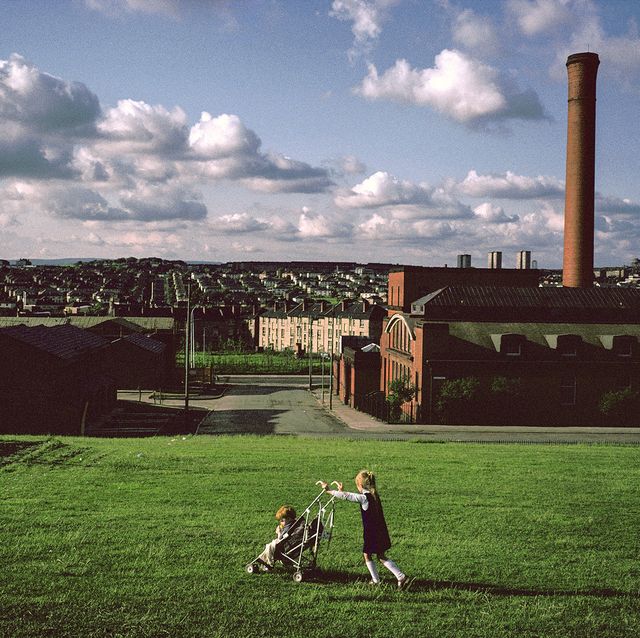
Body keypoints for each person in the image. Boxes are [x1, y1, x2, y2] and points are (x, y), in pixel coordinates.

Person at [320, 470, 407, 588]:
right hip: (381, 531)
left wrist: (329, 490)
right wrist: (341, 491)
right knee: (381, 555)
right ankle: (399, 576)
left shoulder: (364, 498)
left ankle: (379, 580)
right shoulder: (374, 495)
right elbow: (347, 496)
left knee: (367, 555)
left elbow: (348, 496)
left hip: (372, 533)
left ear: (360, 485)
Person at [257, 505, 297, 569]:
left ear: (289, 519)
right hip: (290, 543)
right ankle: (263, 558)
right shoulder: (295, 524)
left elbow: (281, 538)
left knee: (269, 546)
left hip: (283, 545)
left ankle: (267, 561)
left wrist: (279, 532)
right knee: (270, 546)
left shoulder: (288, 528)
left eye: (282, 521)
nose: (281, 522)